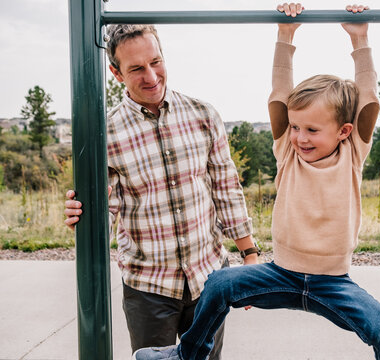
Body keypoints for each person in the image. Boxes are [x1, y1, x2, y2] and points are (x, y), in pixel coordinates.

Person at [132, 3, 380, 360]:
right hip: (281, 274)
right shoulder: (288, 152)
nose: (300, 137)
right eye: (295, 127)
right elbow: (280, 93)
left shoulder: (352, 154)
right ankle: (186, 356)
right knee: (218, 284)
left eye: (311, 129)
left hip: (334, 283)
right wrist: (285, 34)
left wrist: (360, 38)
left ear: (344, 131)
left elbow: (368, 98)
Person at [63, 24, 259, 358]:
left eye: (156, 62)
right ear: (116, 73)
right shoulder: (104, 132)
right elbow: (102, 206)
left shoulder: (203, 114)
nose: (151, 76)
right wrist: (79, 214)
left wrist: (249, 255)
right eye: (136, 68)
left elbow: (226, 189)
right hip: (148, 287)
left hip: (208, 277)